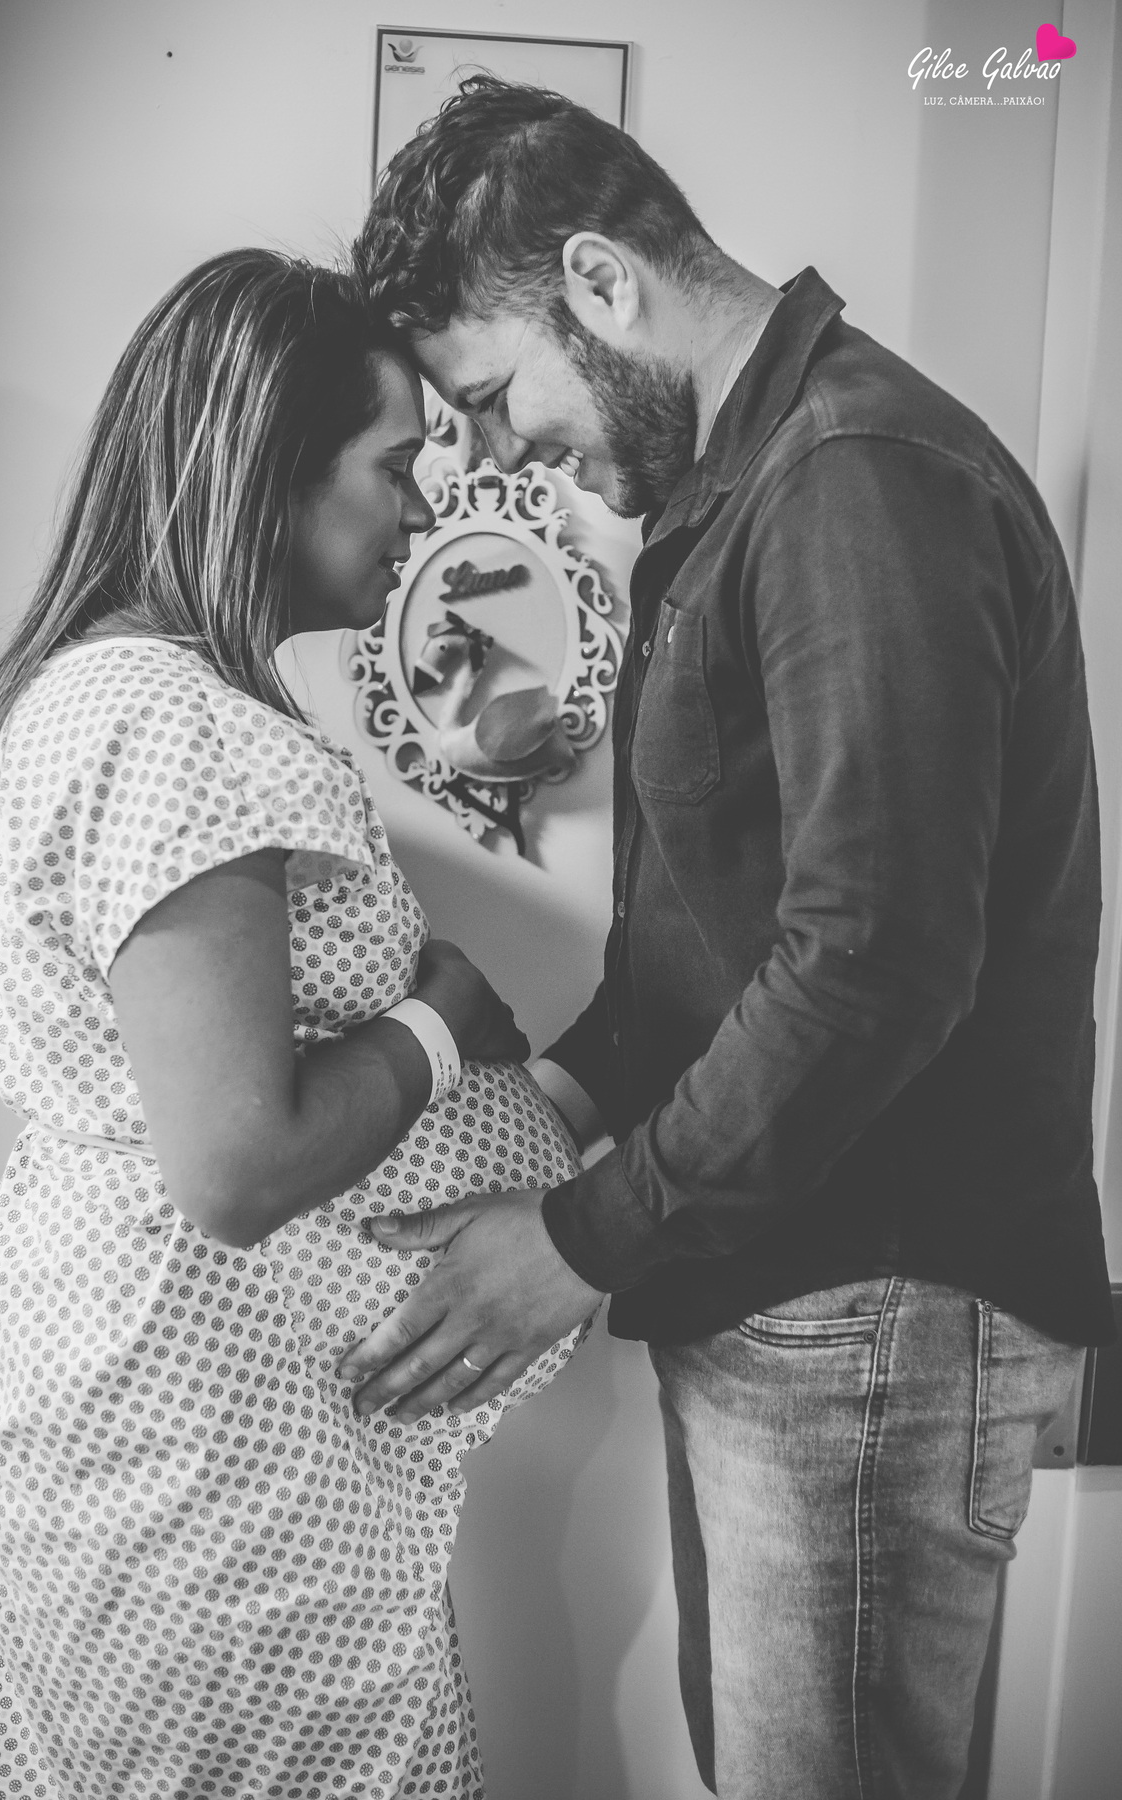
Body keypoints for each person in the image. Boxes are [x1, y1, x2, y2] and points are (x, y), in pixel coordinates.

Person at [343, 77, 1116, 1798]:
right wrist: (529, 1112)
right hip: (796, 1298)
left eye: (495, 396)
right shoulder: (748, 490)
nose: (497, 456)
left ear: (601, 282)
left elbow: (873, 963)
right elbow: (701, 945)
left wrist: (579, 1235)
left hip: (874, 1312)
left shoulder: (856, 480)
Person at [0, 248, 591, 1800]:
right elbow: (239, 1165)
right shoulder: (171, 725)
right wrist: (441, 1020)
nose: (423, 511)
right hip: (201, 1488)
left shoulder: (114, 698)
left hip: (207, 1448)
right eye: (393, 466)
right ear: (267, 471)